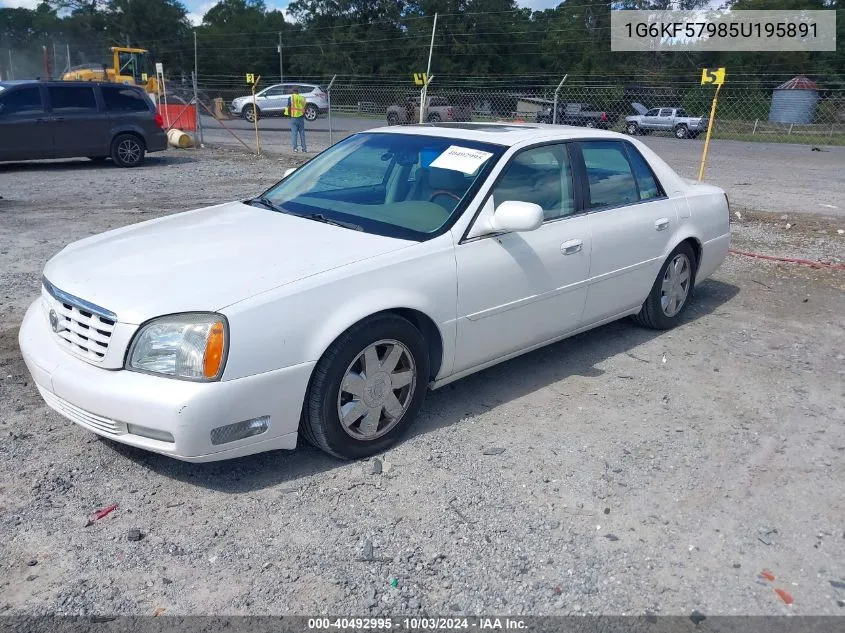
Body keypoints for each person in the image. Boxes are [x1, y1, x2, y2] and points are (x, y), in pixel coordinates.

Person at [286, 86, 307, 153]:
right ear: (298, 91)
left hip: (293, 117)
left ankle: (295, 149)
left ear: (292, 91)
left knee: (294, 134)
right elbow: (304, 108)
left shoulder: (291, 98)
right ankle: (304, 149)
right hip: (300, 117)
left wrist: (289, 115)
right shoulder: (302, 98)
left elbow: (288, 107)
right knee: (302, 133)